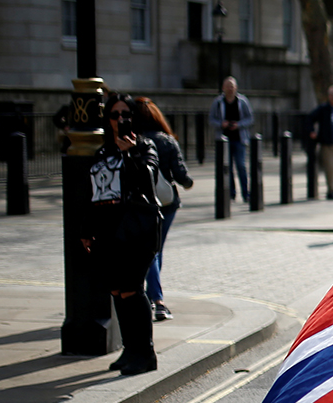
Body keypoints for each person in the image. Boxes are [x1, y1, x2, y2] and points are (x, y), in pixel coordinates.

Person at [79, 95, 162, 375]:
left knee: (131, 289)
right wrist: (87, 230)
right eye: (114, 115)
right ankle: (130, 350)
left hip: (137, 229)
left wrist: (131, 153)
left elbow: (147, 180)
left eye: (125, 114)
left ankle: (146, 353)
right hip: (109, 231)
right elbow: (95, 195)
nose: (120, 119)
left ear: (133, 118)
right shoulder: (103, 153)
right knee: (116, 290)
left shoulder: (145, 147)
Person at [132, 97, 193, 322]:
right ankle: (156, 300)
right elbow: (181, 174)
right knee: (156, 250)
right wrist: (188, 183)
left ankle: (153, 298)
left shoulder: (134, 141)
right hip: (167, 203)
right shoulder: (167, 141)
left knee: (151, 250)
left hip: (142, 202)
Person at [208, 76, 253, 201]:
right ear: (223, 88)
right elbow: (211, 119)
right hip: (223, 139)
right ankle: (231, 194)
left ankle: (246, 193)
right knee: (227, 168)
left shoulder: (242, 101)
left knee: (241, 166)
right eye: (228, 86)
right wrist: (221, 124)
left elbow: (250, 118)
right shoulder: (218, 102)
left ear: (236, 88)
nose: (230, 89)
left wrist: (239, 125)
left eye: (232, 86)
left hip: (239, 138)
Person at [306, 85, 333, 199]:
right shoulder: (323, 109)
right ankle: (331, 190)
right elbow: (310, 118)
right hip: (327, 144)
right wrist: (312, 131)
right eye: (332, 94)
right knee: (329, 168)